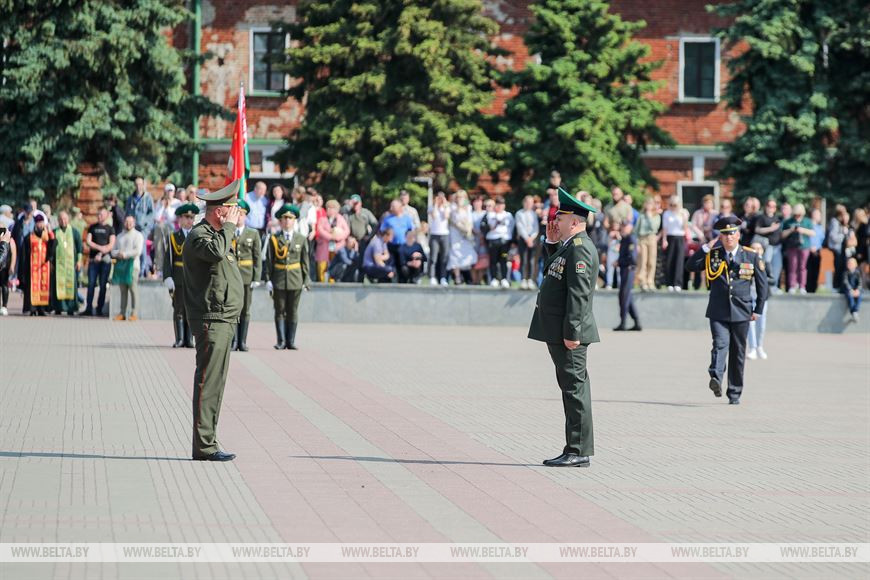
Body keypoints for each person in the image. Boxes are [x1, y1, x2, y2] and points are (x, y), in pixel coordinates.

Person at [528, 188, 599, 468]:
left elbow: (579, 295)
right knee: (570, 388)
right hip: (560, 329)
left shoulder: (581, 249)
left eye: (562, 216)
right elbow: (554, 271)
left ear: (576, 221)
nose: (556, 220)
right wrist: (551, 242)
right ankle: (574, 447)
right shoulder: (569, 246)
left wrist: (573, 332)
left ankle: (578, 450)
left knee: (575, 389)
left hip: (569, 333)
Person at [183, 180, 244, 462]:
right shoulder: (200, 235)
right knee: (208, 384)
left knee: (216, 385)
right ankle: (204, 447)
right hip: (211, 319)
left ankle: (209, 441)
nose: (236, 214)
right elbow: (217, 253)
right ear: (219, 212)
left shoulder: (218, 233)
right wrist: (229, 228)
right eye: (232, 209)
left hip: (224, 318)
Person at [686, 215, 768, 405]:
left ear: (738, 235)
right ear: (720, 237)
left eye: (732, 233)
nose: (729, 237)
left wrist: (758, 309)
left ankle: (735, 392)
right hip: (718, 309)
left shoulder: (751, 256)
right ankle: (716, 376)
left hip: (742, 310)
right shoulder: (713, 253)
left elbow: (763, 286)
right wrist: (706, 247)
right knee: (720, 343)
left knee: (738, 352)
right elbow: (690, 266)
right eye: (725, 234)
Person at [266, 204, 311, 350]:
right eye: (284, 218)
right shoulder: (274, 238)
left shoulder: (301, 239)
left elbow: (305, 262)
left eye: (290, 218)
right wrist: (268, 279)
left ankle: (290, 341)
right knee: (280, 310)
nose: (287, 221)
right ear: (280, 221)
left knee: (292, 311)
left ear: (294, 220)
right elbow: (269, 260)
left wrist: (306, 280)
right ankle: (281, 341)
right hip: (279, 279)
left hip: (295, 279)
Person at [163, 203, 198, 347]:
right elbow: (168, 259)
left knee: (191, 309)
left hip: (194, 279)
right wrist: (167, 276)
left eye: (192, 217)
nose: (189, 220)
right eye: (186, 217)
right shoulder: (173, 237)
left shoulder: (197, 236)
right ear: (180, 219)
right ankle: (179, 339)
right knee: (179, 308)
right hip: (178, 277)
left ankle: (189, 339)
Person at [232, 200, 262, 351]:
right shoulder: (227, 232)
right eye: (236, 214)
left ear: (245, 216)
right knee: (232, 309)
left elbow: (257, 257)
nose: (239, 217)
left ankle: (242, 341)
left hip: (246, 276)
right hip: (231, 277)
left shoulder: (253, 233)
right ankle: (233, 341)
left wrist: (257, 277)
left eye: (241, 214)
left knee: (245, 310)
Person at [20, 212, 54, 316]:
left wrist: (51, 236)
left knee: (44, 287)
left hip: (44, 267)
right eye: (38, 223)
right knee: (32, 287)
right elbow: (24, 255)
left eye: (42, 222)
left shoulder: (47, 237)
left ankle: (42, 308)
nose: (40, 225)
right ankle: (32, 308)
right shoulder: (29, 237)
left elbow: (52, 250)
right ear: (35, 224)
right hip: (32, 268)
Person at [83, 209, 115, 317]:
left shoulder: (110, 229)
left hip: (105, 261)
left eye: (101, 214)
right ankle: (88, 308)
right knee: (91, 284)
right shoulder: (92, 227)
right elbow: (88, 241)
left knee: (102, 285)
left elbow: (111, 245)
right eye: (99, 214)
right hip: (93, 261)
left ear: (106, 216)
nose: (99, 216)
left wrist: (100, 253)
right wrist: (100, 248)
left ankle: (99, 309)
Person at [111, 215, 144, 320]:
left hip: (133, 266)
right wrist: (118, 253)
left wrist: (125, 254)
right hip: (121, 267)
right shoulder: (120, 236)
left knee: (133, 289)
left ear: (134, 223)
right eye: (126, 222)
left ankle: (134, 313)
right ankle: (122, 313)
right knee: (123, 290)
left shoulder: (138, 235)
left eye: (130, 222)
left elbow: (137, 251)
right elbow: (113, 251)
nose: (128, 224)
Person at [50, 211, 83, 315]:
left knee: (70, 286)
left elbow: (79, 248)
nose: (63, 221)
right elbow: (50, 248)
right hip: (58, 265)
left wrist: (79, 260)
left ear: (68, 219)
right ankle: (58, 307)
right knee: (58, 286)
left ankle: (71, 308)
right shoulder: (54, 232)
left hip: (71, 265)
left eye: (65, 219)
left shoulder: (74, 232)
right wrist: (50, 261)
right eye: (61, 219)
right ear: (58, 220)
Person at [746, 241, 773, 360]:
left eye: (759, 248)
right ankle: (752, 348)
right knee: (750, 324)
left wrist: (761, 277)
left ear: (762, 250)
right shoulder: (746, 262)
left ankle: (760, 346)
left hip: (762, 298)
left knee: (761, 324)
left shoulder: (766, 263)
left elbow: (773, 280)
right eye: (753, 248)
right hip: (749, 297)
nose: (756, 250)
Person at [613, 221, 641, 331]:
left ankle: (623, 322)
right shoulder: (625, 239)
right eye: (622, 226)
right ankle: (637, 322)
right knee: (627, 297)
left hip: (629, 269)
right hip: (624, 268)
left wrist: (620, 262)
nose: (623, 228)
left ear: (630, 228)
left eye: (625, 226)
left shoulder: (630, 239)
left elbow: (632, 257)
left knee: (624, 296)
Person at [125, 176, 155, 276]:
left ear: (143, 185)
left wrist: (144, 222)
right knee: (131, 249)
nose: (138, 186)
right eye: (136, 184)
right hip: (132, 228)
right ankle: (133, 272)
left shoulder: (148, 197)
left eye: (140, 184)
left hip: (143, 229)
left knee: (141, 250)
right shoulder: (131, 198)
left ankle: (142, 273)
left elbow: (152, 213)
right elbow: (127, 212)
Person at [781, 203, 814, 294]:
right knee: (792, 266)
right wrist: (791, 230)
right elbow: (782, 235)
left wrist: (802, 230)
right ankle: (792, 285)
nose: (797, 216)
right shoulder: (788, 221)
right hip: (792, 247)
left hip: (804, 246)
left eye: (799, 214)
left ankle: (802, 286)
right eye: (796, 214)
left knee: (802, 267)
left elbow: (813, 233)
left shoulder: (807, 221)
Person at [315, 200, 350, 283]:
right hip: (324, 247)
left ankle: (332, 284)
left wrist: (338, 237)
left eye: (333, 208)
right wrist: (331, 237)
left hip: (337, 248)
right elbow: (320, 230)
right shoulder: (322, 219)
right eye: (328, 208)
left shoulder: (340, 219)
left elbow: (347, 231)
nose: (330, 210)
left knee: (334, 268)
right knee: (322, 268)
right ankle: (322, 285)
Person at [447, 190, 477, 285]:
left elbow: (470, 221)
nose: (460, 199)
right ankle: (457, 277)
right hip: (455, 233)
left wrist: (468, 229)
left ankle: (468, 277)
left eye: (462, 197)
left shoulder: (468, 207)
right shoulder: (453, 207)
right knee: (455, 253)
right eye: (458, 197)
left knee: (466, 253)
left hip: (465, 235)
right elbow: (453, 219)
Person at [484, 196, 515, 288]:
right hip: (493, 241)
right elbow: (489, 227)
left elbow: (511, 228)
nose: (500, 206)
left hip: (504, 242)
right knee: (493, 260)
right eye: (498, 204)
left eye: (502, 204)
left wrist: (511, 241)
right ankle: (494, 278)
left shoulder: (508, 215)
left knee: (503, 260)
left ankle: (504, 278)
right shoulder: (490, 215)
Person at [755, 199, 784, 293]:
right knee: (767, 266)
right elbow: (757, 230)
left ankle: (773, 287)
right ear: (766, 207)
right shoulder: (762, 218)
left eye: (774, 206)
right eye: (770, 206)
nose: (772, 208)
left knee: (777, 267)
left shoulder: (777, 218)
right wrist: (770, 229)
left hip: (777, 246)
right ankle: (767, 287)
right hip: (768, 247)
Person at [661, 198, 689, 291]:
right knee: (669, 260)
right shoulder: (667, 213)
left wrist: (683, 216)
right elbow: (665, 227)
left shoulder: (684, 212)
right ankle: (669, 282)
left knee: (679, 261)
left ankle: (678, 283)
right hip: (670, 237)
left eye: (675, 205)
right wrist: (664, 239)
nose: (673, 207)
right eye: (671, 205)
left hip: (680, 237)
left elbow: (685, 227)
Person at [380, 200, 414, 269]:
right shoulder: (387, 218)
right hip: (391, 247)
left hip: (403, 246)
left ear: (400, 207)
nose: (391, 208)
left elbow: (412, 231)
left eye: (393, 206)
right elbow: (382, 231)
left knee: (403, 267)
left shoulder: (407, 218)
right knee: (391, 267)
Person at [515, 195, 540, 290]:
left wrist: (531, 238)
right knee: (524, 259)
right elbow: (520, 227)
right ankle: (523, 279)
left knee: (532, 260)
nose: (529, 204)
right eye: (528, 202)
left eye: (531, 202)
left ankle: (530, 279)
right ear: (524, 203)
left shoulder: (534, 214)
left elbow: (536, 228)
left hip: (533, 239)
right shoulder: (519, 213)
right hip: (523, 239)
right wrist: (526, 238)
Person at [636, 197, 660, 291]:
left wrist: (649, 216)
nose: (648, 206)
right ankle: (643, 282)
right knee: (642, 261)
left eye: (650, 204)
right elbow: (636, 229)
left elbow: (654, 228)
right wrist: (637, 242)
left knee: (651, 261)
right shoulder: (641, 216)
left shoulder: (656, 216)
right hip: (642, 239)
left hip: (652, 238)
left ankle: (650, 281)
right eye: (647, 204)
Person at [427, 191, 451, 286]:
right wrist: (436, 204)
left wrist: (444, 204)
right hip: (434, 234)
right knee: (433, 257)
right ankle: (432, 277)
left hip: (444, 234)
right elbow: (434, 216)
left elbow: (446, 216)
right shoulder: (431, 208)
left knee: (444, 258)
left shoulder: (447, 207)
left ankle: (443, 277)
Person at [806, 208, 825, 293]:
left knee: (816, 272)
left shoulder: (820, 228)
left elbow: (822, 240)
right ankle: (807, 289)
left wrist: (817, 248)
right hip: (808, 251)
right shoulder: (808, 226)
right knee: (808, 271)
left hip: (817, 252)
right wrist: (810, 247)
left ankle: (813, 289)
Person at [0, 226, 15, 316]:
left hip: (5, 267)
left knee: (4, 285)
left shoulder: (9, 240)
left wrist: (12, 266)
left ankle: (4, 306)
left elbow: (14, 252)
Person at [842, 257, 862, 323]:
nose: (850, 265)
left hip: (855, 290)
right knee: (850, 297)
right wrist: (851, 290)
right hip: (848, 290)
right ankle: (853, 311)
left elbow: (860, 282)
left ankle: (855, 311)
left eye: (852, 264)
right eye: (849, 264)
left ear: (855, 265)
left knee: (859, 297)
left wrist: (858, 290)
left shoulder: (857, 272)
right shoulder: (846, 273)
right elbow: (846, 282)